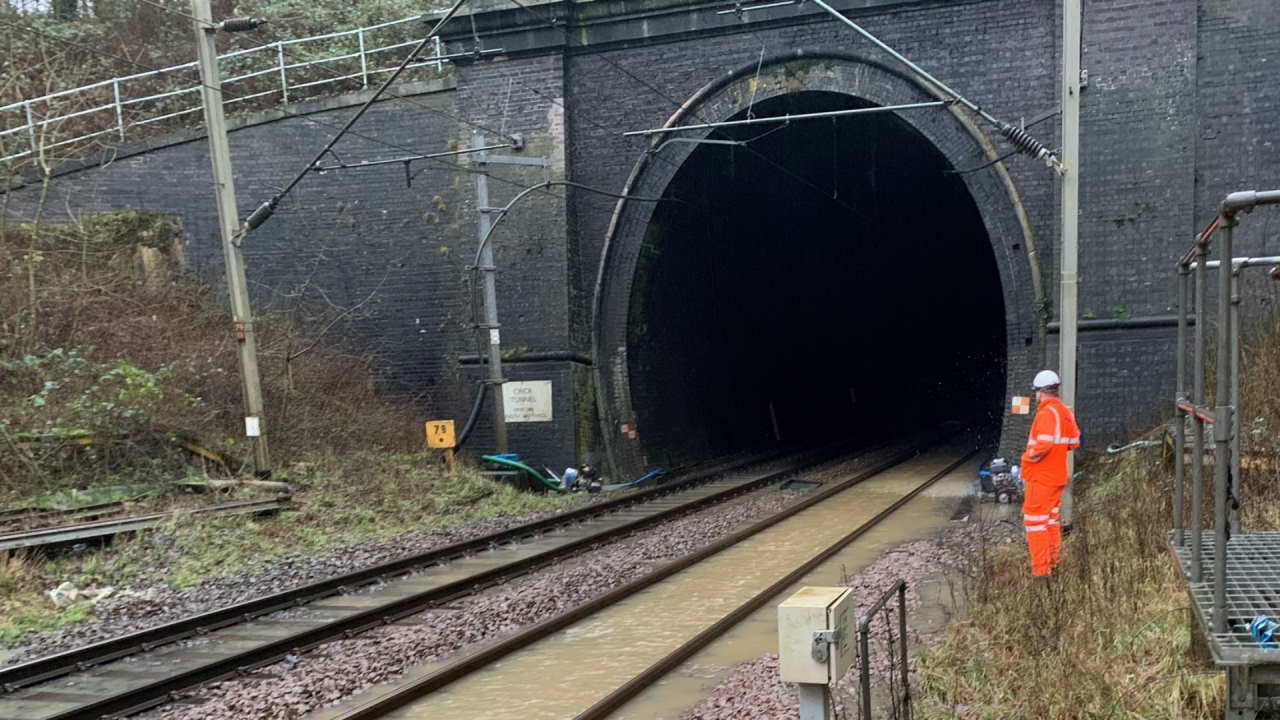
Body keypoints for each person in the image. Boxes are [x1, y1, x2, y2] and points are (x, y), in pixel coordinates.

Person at [1020, 369, 1081, 576]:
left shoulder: (1046, 412)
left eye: (1036, 392)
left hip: (1041, 477)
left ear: (1040, 391)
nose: (1036, 396)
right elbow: (1074, 442)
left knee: (1034, 521)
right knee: (1050, 519)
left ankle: (1041, 570)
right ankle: (1054, 562)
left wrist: (1027, 458)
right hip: (1057, 476)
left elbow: (1043, 445)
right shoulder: (1065, 412)